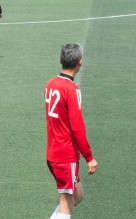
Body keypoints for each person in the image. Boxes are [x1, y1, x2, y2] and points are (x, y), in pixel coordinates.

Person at [44, 43, 97, 219]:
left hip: (54, 153)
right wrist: (89, 157)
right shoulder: (72, 90)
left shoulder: (51, 84)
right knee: (66, 205)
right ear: (80, 62)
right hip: (65, 156)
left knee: (77, 196)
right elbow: (77, 127)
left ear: (60, 60)